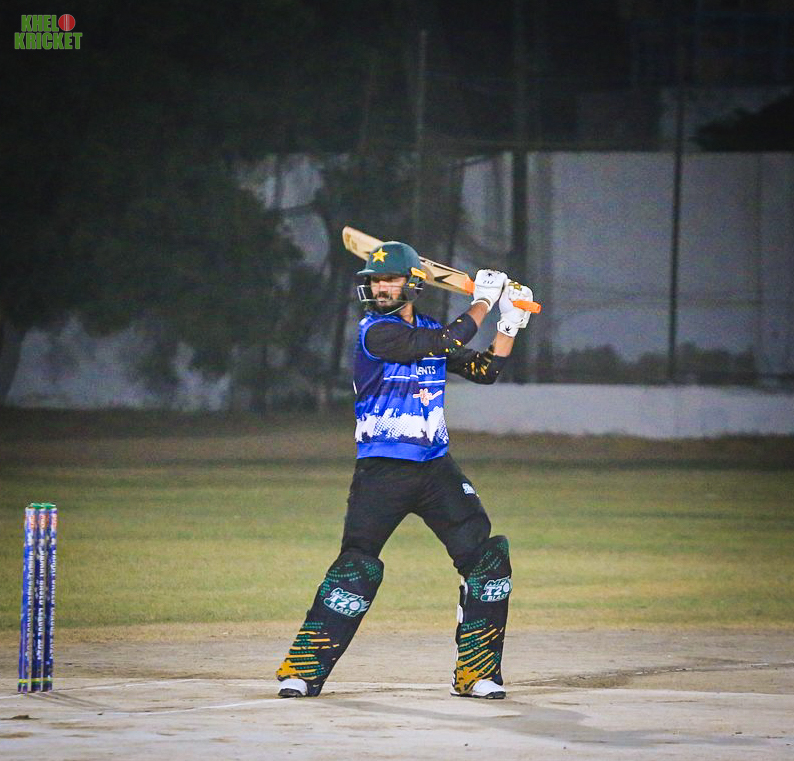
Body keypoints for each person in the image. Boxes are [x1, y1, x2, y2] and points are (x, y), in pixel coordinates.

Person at [276, 240, 533, 699]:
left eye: (390, 280)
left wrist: (509, 322)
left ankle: (476, 673)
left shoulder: (432, 329)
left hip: (436, 469)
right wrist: (483, 301)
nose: (381, 288)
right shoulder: (375, 333)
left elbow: (485, 369)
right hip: (382, 469)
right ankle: (303, 670)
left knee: (488, 562)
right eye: (376, 281)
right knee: (357, 566)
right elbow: (444, 342)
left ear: (413, 283)